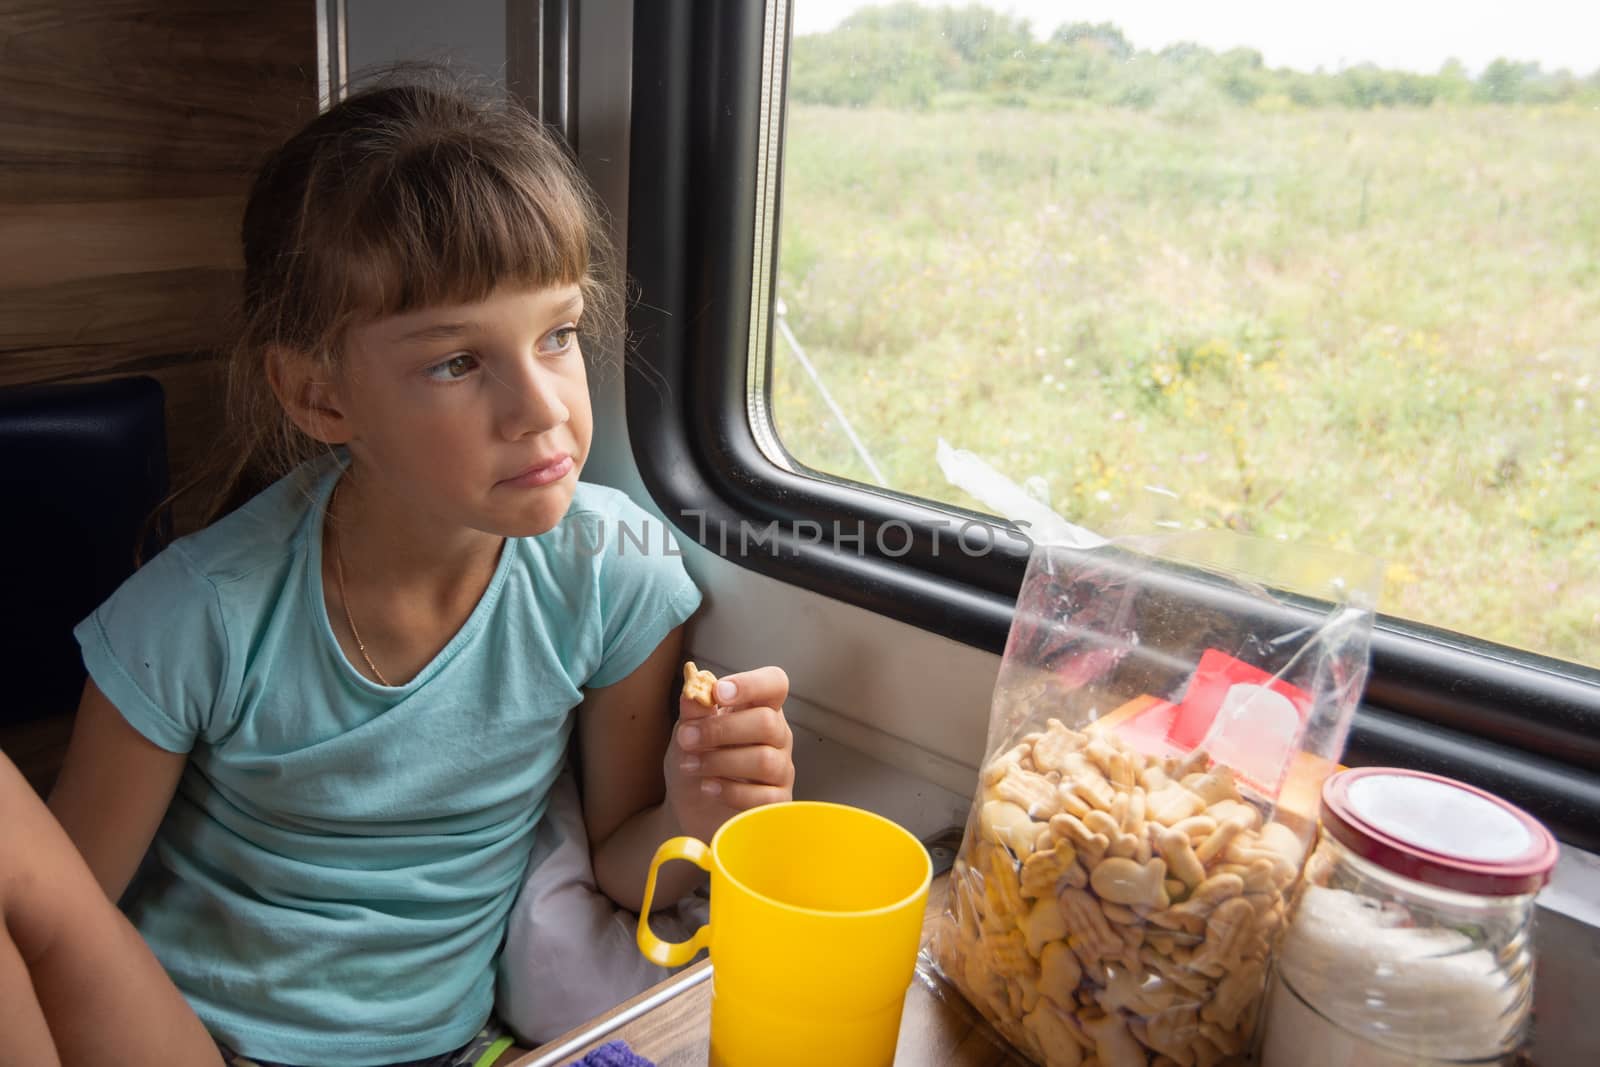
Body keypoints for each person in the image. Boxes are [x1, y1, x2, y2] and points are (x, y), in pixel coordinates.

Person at [4, 75, 795, 1067]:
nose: (540, 407)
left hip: (443, 1047)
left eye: (556, 333)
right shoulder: (199, 613)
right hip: (188, 1035)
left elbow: (614, 869)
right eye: (457, 362)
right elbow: (56, 930)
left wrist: (696, 814)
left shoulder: (614, 572)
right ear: (319, 395)